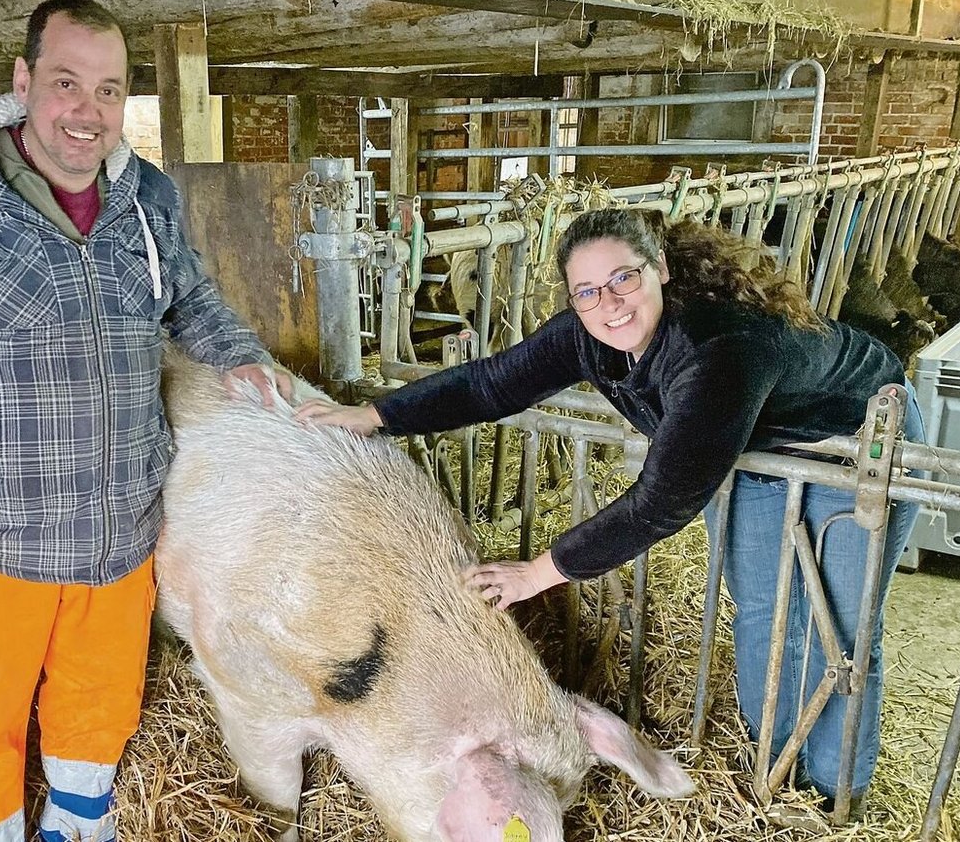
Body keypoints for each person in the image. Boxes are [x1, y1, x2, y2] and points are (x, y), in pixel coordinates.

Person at [0, 0, 285, 842]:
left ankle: (76, 826)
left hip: (118, 532)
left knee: (99, 701)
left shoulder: (144, 199)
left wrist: (239, 355)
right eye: (67, 83)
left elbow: (187, 294)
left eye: (109, 91)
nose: (88, 111)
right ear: (23, 79)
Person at [297, 208, 924, 822]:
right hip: (757, 454)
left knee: (838, 629)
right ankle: (776, 767)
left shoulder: (720, 349)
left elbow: (660, 503)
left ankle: (833, 792)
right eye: (588, 291)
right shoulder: (587, 333)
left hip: (856, 449)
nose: (610, 303)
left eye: (625, 278)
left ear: (661, 269)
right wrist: (376, 415)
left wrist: (537, 573)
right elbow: (491, 384)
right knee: (765, 610)